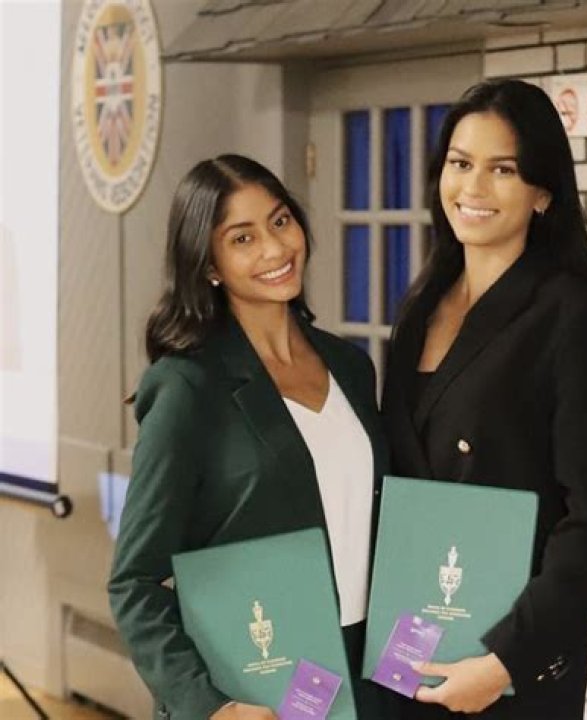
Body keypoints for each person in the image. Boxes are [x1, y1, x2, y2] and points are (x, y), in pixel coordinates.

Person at [108, 155, 390, 720]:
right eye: (242, 238)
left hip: (365, 679)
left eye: (280, 221)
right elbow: (134, 583)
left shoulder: (351, 367)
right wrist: (210, 707)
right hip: (254, 690)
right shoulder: (188, 386)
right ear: (209, 265)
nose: (275, 248)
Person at [382, 79, 587, 720]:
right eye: (461, 163)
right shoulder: (417, 311)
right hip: (412, 649)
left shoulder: (576, 317)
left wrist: (504, 664)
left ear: (543, 193)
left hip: (511, 670)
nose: (474, 187)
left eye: (503, 170)